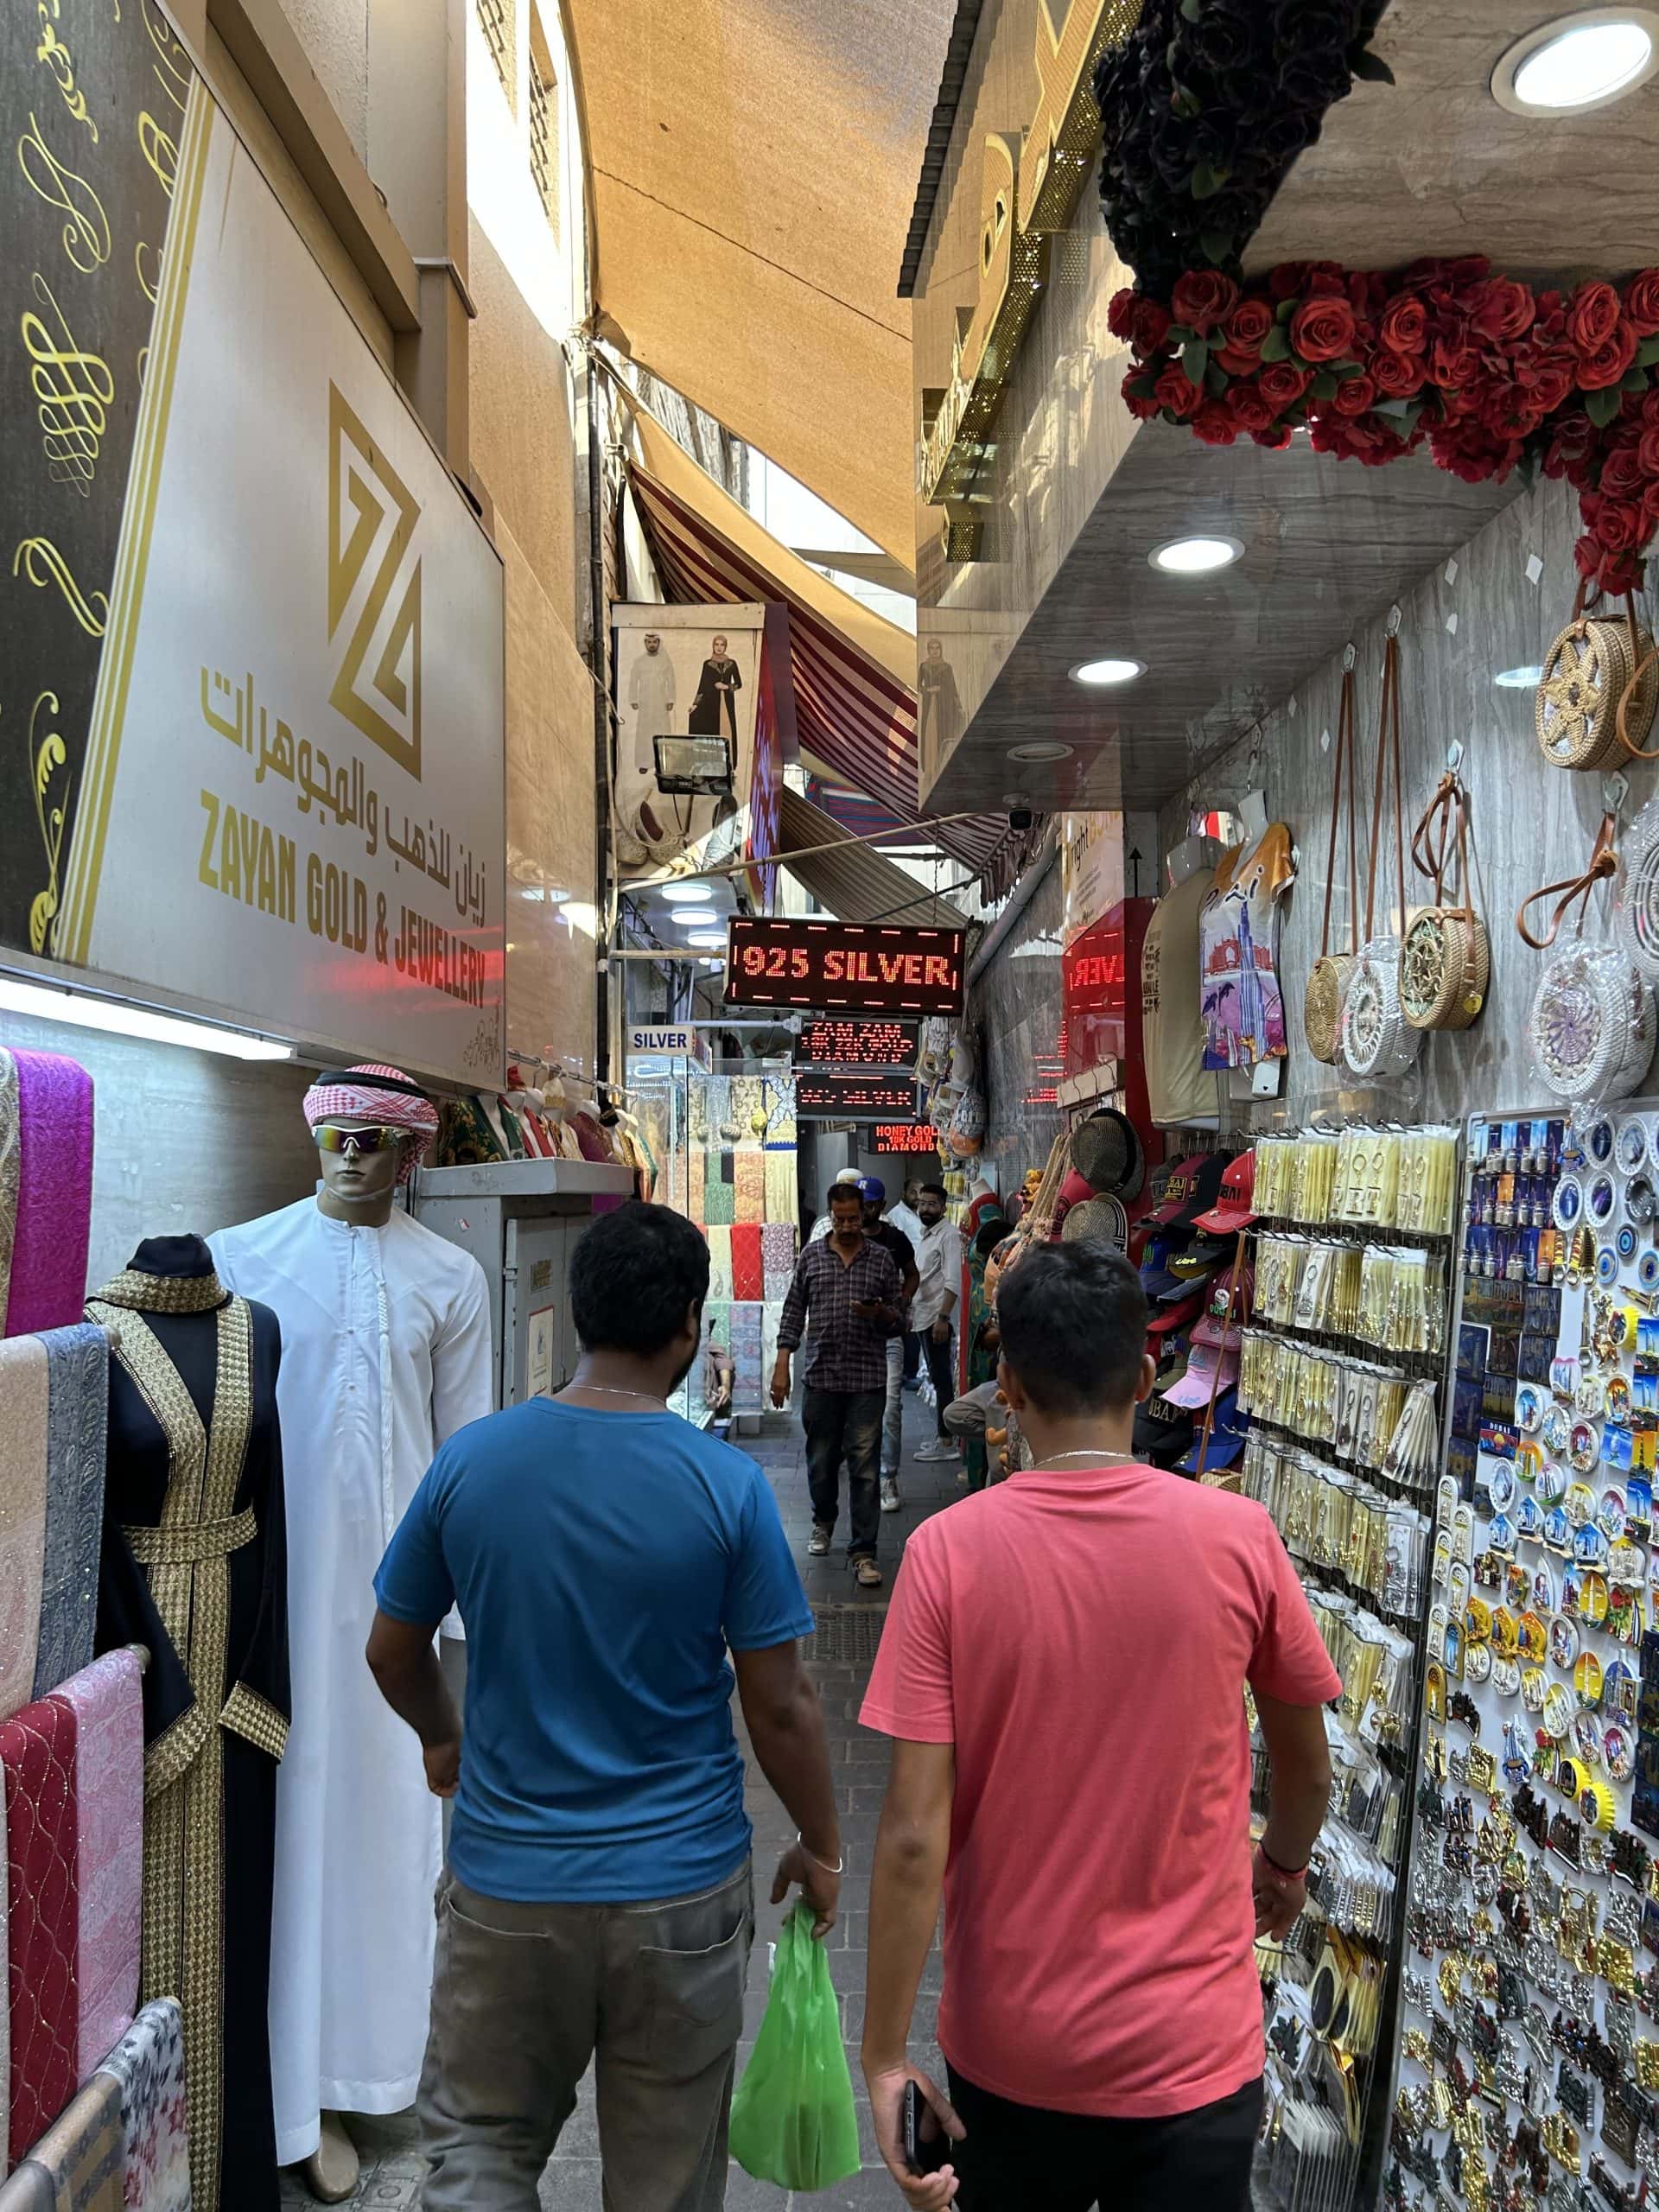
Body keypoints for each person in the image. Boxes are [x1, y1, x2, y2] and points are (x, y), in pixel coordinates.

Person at [365, 1203, 842, 2212]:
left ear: (580, 1317)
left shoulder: (474, 1464)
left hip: (506, 1889)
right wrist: (821, 1841)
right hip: (679, 1897)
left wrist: (443, 1739)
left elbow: (391, 1647)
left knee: (481, 2155)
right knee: (665, 2180)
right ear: (687, 1327)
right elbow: (784, 1705)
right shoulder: (726, 1486)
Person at [859, 1243, 1338, 2211]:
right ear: (1147, 1374)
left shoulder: (946, 1553)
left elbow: (914, 1832)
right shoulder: (1237, 1537)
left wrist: (880, 2054)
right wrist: (1281, 1868)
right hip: (1194, 2050)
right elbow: (1306, 1769)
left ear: (1009, 1386)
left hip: (1013, 2045)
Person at [772, 1182, 904, 1590]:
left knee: (865, 1466)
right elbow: (794, 1311)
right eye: (839, 1219)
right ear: (830, 1216)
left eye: (853, 1218)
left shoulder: (881, 1261)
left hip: (867, 1379)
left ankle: (863, 1552)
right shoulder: (812, 1257)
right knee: (821, 1460)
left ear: (865, 1214)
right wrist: (782, 1365)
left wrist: (880, 1313)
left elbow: (901, 1319)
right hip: (822, 1377)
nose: (847, 1226)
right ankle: (823, 1521)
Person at [856, 1177, 919, 1513]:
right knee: (857, 1408)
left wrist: (904, 1299)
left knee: (891, 1406)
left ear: (880, 1207)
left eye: (868, 1204)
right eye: (859, 1202)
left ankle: (887, 1476)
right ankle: (862, 1474)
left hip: (889, 1335)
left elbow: (912, 1272)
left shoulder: (895, 1239)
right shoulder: (845, 1239)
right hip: (853, 1337)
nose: (863, 1210)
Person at [910, 1183, 964, 1468]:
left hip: (935, 1319)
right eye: (922, 1203)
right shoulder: (929, 1234)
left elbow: (953, 1280)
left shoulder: (948, 1235)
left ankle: (947, 1443)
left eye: (932, 1204)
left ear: (943, 1207)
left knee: (942, 1380)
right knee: (936, 1376)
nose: (925, 1209)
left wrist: (943, 1318)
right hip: (924, 1316)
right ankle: (943, 1437)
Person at [887, 1179, 925, 1383]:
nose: (918, 1197)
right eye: (913, 1192)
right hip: (904, 1282)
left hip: (919, 1280)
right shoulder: (897, 1216)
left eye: (921, 1192)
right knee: (906, 1328)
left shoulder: (920, 1215)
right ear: (904, 1194)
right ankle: (906, 1373)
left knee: (913, 1326)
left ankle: (910, 1371)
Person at [688, 632, 742, 747]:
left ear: (725, 647)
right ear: (713, 646)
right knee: (711, 728)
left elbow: (739, 684)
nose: (719, 647)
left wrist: (726, 687)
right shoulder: (707, 664)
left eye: (722, 645)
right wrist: (695, 704)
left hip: (726, 701)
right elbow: (702, 685)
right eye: (716, 644)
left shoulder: (732, 664)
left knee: (726, 728)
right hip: (710, 701)